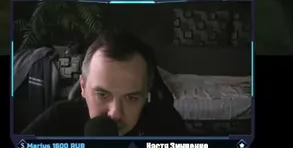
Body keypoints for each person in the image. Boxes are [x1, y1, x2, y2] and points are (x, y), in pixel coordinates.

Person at [21, 31, 189, 136]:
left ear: (146, 95)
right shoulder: (59, 120)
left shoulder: (166, 123)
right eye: (102, 94)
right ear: (83, 87)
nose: (115, 114)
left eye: (131, 98)